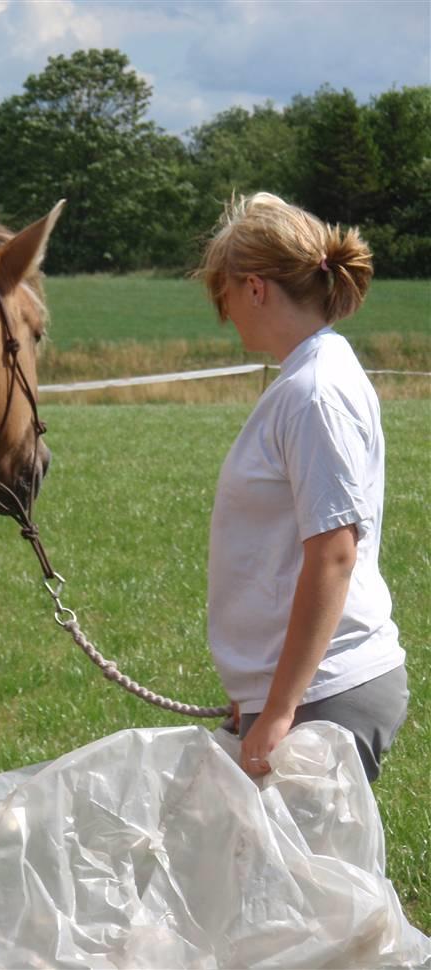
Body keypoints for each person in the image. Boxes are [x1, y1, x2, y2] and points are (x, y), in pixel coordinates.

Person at [197, 192, 408, 783]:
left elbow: (334, 555)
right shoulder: (314, 374)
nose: (224, 310)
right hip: (305, 691)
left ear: (256, 288)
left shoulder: (313, 392)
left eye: (226, 293)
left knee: (311, 879)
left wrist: (282, 706)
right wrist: (262, 690)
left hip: (325, 696)